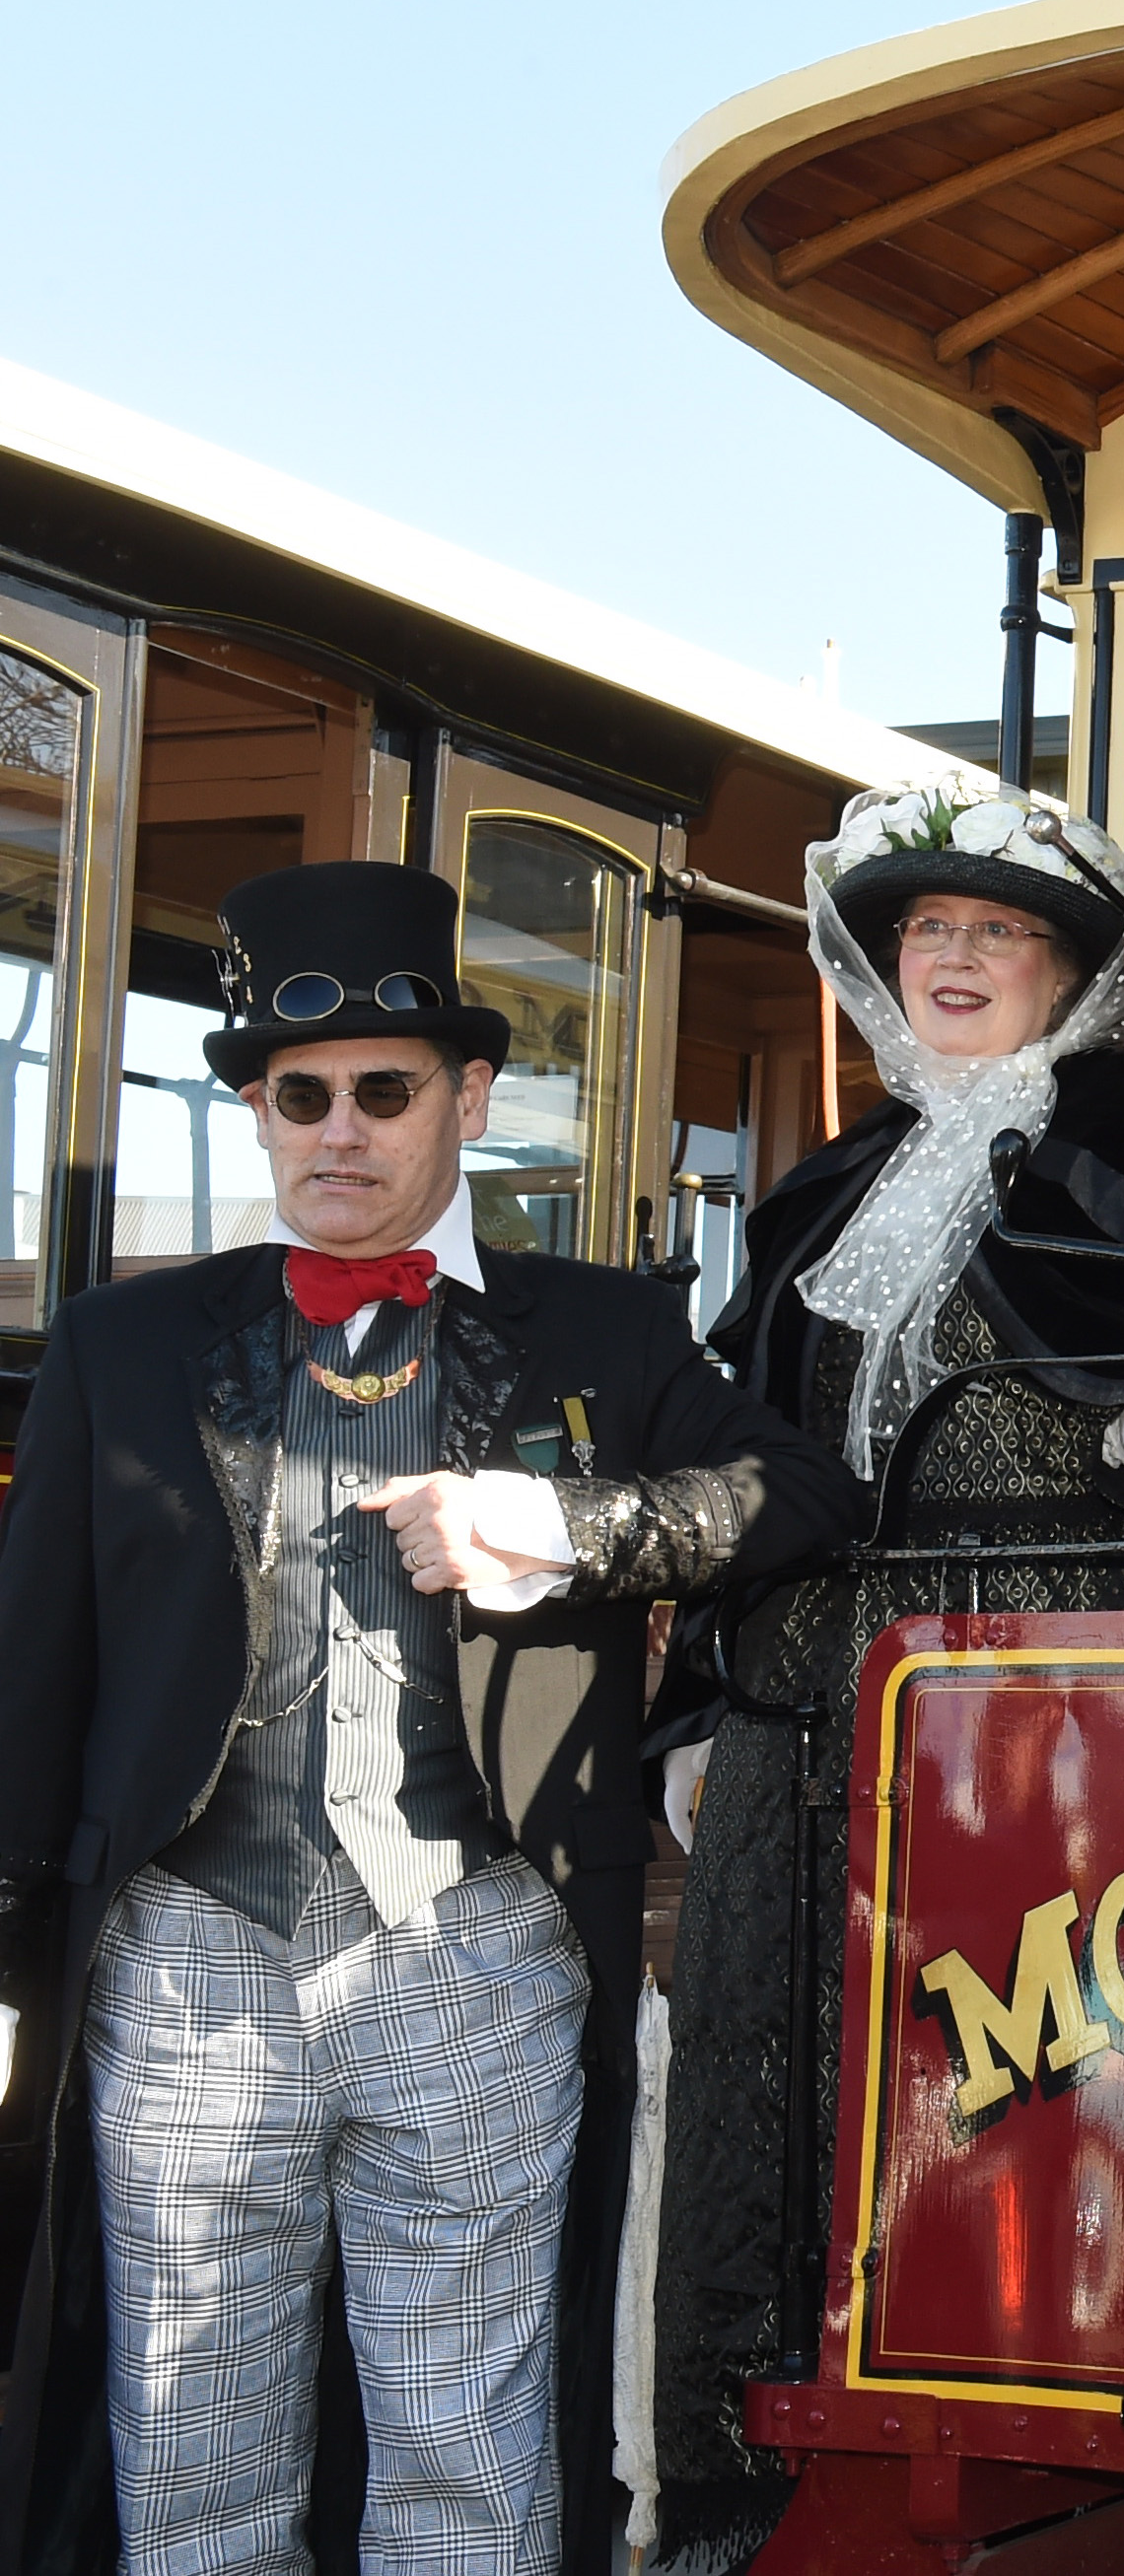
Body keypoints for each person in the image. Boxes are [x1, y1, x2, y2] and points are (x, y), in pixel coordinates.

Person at [0, 862, 858, 2574]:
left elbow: (806, 1496)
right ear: (254, 1109)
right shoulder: (122, 1343)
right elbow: (37, 1664)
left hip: (480, 1950)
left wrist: (576, 1529)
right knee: (191, 2464)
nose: (340, 1130)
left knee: (467, 2470)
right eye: (296, 1096)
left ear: (467, 1096)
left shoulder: (603, 1333)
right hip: (188, 1960)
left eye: (384, 1091)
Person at [643, 780, 1124, 2569]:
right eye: (928, 935)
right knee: (769, 2070)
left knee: (1021, 2070)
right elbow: (741, 1446)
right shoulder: (826, 1186)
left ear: (1069, 975)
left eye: (1000, 933)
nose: (958, 959)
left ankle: (1040, 2489)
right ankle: (752, 2490)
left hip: (1047, 1697)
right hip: (811, 1694)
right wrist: (690, 1705)